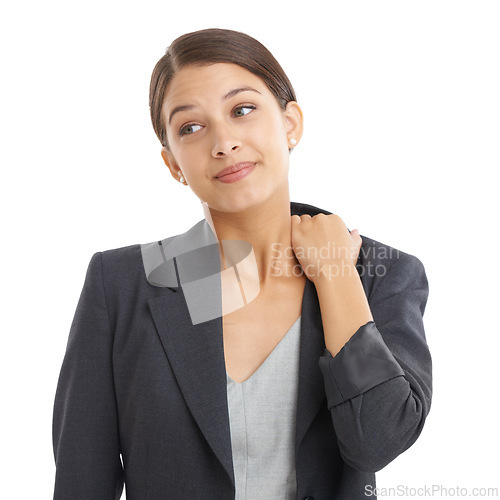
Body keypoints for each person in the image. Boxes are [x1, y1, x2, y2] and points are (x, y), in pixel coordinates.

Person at [52, 28, 432, 499]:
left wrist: (335, 275)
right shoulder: (123, 285)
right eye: (191, 127)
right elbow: (80, 481)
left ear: (290, 122)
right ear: (173, 163)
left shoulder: (382, 276)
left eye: (242, 110)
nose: (224, 142)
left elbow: (376, 441)